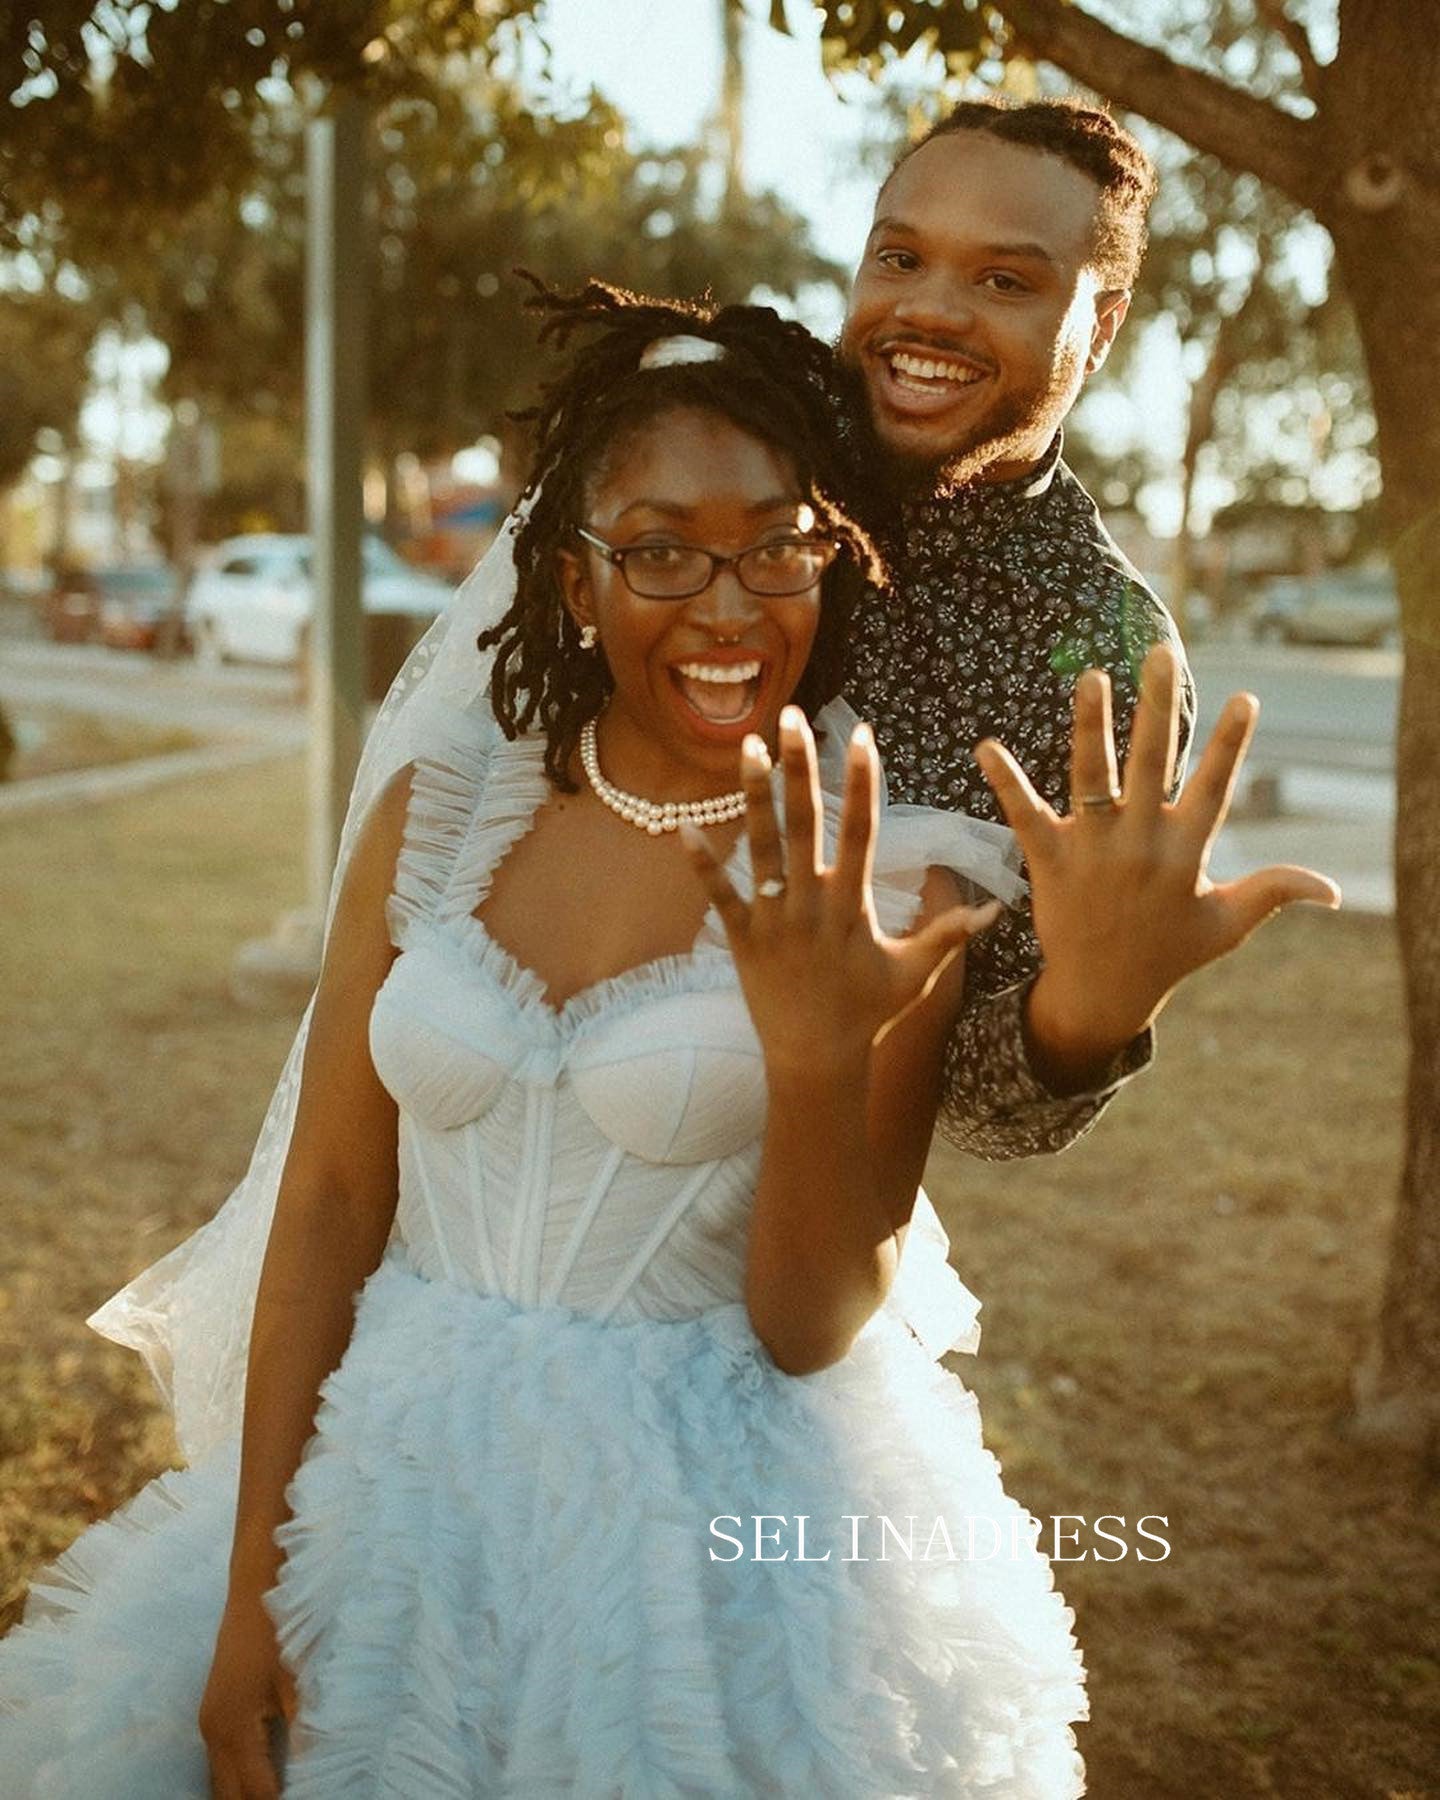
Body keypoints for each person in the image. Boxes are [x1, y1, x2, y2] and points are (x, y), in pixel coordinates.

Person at [0, 287, 1097, 1798]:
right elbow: (328, 1204)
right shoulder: (440, 811)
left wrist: (811, 1055)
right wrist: (259, 1578)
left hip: (700, 1554)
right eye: (660, 550)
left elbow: (810, 1323)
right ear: (578, 584)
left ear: (832, 557)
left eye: (777, 545)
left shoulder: (887, 873)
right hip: (386, 1486)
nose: (727, 607)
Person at [838, 95, 1201, 1159]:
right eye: (899, 258)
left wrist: (1083, 1017)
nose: (931, 312)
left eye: (1005, 280)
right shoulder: (725, 460)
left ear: (1104, 323)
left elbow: (970, 1116)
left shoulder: (1107, 653)